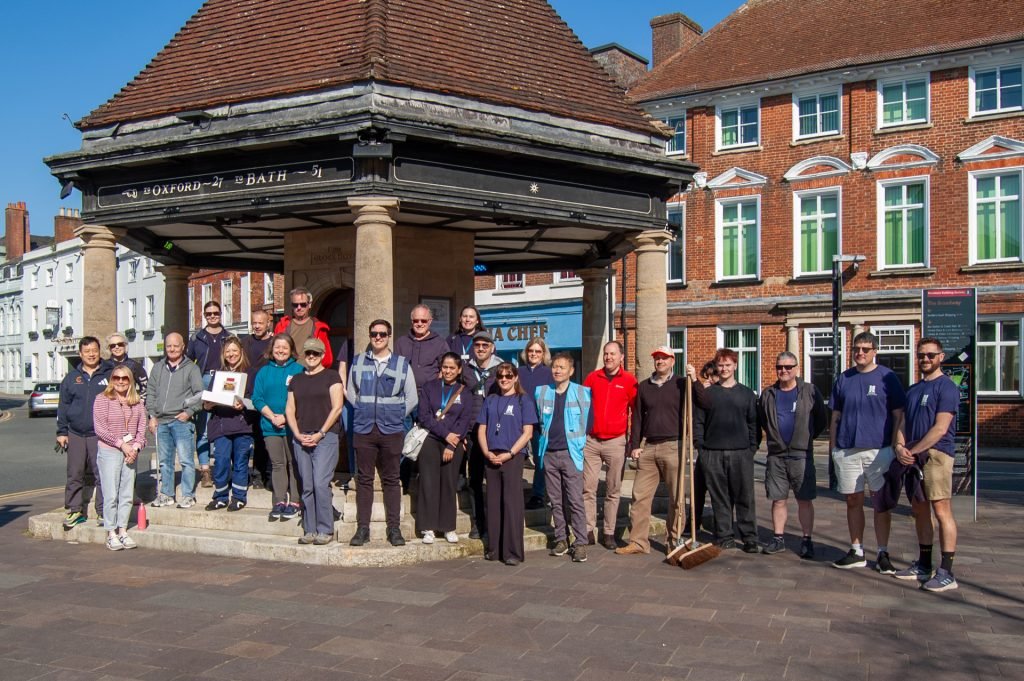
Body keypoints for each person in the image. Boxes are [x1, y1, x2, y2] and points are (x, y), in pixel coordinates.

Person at [617, 347, 706, 556]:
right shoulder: (644, 387)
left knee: (676, 497)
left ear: (672, 361)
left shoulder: (682, 384)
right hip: (648, 447)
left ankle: (673, 541)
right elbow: (637, 417)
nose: (660, 361)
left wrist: (695, 380)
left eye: (664, 358)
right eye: (657, 358)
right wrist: (635, 445)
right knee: (639, 496)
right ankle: (638, 542)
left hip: (674, 445)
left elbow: (704, 402)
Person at [829, 331, 906, 572]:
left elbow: (898, 415)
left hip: (878, 450)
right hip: (847, 449)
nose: (859, 353)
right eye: (856, 349)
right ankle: (857, 550)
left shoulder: (888, 377)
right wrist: (833, 447)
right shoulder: (844, 378)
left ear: (875, 352)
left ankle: (882, 552)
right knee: (853, 500)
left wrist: (894, 445)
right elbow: (835, 416)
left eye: (865, 349)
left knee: (880, 503)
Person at [893, 338, 961, 591]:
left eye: (931, 355)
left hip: (936, 456)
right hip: (913, 457)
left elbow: (941, 428)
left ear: (941, 357)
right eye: (921, 355)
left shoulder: (947, 388)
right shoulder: (913, 390)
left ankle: (946, 571)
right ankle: (923, 564)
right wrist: (900, 447)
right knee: (919, 510)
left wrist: (912, 450)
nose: (925, 359)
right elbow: (902, 423)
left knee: (941, 511)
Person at [346, 319, 418, 547]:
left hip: (391, 430)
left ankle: (394, 529)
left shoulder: (401, 364)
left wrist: (396, 415)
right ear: (369, 336)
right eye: (374, 334)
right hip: (364, 429)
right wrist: (364, 411)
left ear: (389, 336)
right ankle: (362, 529)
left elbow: (412, 398)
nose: (378, 338)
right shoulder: (358, 362)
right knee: (364, 480)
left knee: (391, 480)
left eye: (382, 334)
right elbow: (351, 393)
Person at [758, 352, 828, 558]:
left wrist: (804, 439)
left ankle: (807, 540)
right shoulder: (768, 394)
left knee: (804, 499)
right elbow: (763, 419)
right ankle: (778, 538)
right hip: (776, 456)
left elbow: (821, 420)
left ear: (797, 368)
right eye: (780, 367)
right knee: (778, 499)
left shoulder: (809, 391)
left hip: (801, 455)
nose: (784, 371)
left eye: (788, 367)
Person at [695, 348, 761, 553]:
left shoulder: (746, 394)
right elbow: (699, 422)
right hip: (712, 453)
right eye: (721, 365)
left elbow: (754, 424)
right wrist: (702, 449)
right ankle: (725, 535)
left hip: (741, 453)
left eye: (728, 365)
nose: (724, 368)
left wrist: (751, 448)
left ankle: (749, 537)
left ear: (735, 366)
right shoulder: (708, 394)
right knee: (719, 497)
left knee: (744, 496)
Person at [285, 338, 344, 545]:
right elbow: (289, 409)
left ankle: (325, 528)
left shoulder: (332, 376)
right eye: (308, 353)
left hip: (326, 437)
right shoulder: (297, 380)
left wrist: (320, 433)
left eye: (316, 354)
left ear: (322, 356)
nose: (311, 357)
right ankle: (309, 528)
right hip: (301, 437)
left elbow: (337, 407)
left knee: (320, 482)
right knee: (307, 485)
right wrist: (297, 434)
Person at [477, 362, 537, 565]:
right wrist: (486, 451)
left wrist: (510, 453)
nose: (504, 379)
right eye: (501, 376)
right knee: (493, 504)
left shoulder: (523, 400)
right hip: (491, 456)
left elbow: (527, 432)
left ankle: (512, 552)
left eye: (508, 376)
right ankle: (494, 549)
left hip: (512, 457)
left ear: (515, 377)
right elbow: (481, 428)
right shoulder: (490, 399)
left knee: (511, 504)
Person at [534, 353, 592, 562]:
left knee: (575, 500)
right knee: (555, 501)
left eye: (562, 367)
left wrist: (579, 446)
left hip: (571, 454)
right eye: (555, 367)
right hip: (549, 454)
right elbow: (538, 423)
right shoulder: (542, 393)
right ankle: (561, 538)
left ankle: (580, 543)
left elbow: (589, 423)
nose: (557, 370)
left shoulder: (581, 393)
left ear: (571, 371)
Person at [582, 341, 638, 550]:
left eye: (612, 354)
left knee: (613, 490)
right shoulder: (592, 378)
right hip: (592, 441)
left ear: (621, 357)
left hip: (616, 441)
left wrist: (632, 440)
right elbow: (581, 405)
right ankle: (588, 529)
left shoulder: (629, 381)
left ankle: (608, 532)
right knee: (588, 488)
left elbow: (636, 411)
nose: (608, 357)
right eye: (606, 354)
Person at [416, 352, 474, 544]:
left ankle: (448, 527)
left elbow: (465, 420)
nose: (448, 371)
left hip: (453, 443)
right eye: (445, 367)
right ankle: (428, 527)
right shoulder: (429, 387)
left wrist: (451, 442)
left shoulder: (464, 392)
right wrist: (445, 434)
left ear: (458, 370)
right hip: (431, 439)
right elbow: (424, 416)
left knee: (448, 484)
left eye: (452, 368)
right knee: (428, 483)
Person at [56, 336, 113, 529]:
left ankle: (104, 511)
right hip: (76, 433)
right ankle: (74, 511)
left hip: (101, 434)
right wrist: (62, 432)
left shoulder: (110, 374)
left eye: (94, 350)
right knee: (74, 473)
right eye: (87, 351)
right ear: (80, 354)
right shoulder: (72, 378)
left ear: (99, 352)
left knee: (102, 474)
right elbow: (63, 406)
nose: (91, 354)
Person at [147, 332, 205, 509]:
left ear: (183, 347)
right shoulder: (158, 368)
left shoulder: (191, 368)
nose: (171, 349)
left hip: (181, 421)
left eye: (175, 345)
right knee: (165, 461)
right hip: (161, 421)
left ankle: (188, 495)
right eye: (168, 346)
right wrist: (152, 415)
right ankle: (167, 494)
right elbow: (151, 392)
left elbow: (200, 395)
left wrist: (188, 412)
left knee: (186, 461)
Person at [92, 365, 147, 551]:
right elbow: (100, 429)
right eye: (117, 378)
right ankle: (111, 533)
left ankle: (122, 530)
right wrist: (122, 445)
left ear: (130, 380)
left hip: (130, 453)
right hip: (110, 451)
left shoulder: (137, 402)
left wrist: (135, 448)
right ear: (111, 380)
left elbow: (141, 430)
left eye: (125, 378)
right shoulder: (102, 399)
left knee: (126, 494)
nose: (121, 381)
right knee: (111, 494)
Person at [252, 334, 305, 521]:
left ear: (291, 350)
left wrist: (285, 416)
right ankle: (279, 501)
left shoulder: (299, 370)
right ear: (271, 350)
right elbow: (257, 398)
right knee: (277, 464)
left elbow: (302, 397)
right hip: (270, 426)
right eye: (277, 347)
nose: (281, 351)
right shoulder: (263, 372)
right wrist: (272, 416)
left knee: (294, 463)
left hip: (292, 426)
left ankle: (296, 501)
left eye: (285, 347)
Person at [203, 337, 258, 512]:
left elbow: (255, 399)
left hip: (243, 424)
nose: (231, 354)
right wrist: (208, 404)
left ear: (241, 352)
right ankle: (220, 496)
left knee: (241, 462)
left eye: (234, 350)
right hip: (221, 425)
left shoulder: (250, 373)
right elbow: (208, 401)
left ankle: (239, 497)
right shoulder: (218, 375)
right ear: (223, 354)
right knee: (221, 461)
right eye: (228, 351)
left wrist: (244, 403)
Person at [462, 330, 503, 539]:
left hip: (495, 433)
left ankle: (497, 524)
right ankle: (478, 523)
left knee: (495, 480)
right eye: (477, 345)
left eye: (485, 346)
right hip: (472, 432)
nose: (480, 349)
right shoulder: (466, 370)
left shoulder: (502, 369)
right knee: (475, 481)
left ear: (492, 348)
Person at [187, 300, 229, 488]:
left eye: (216, 313)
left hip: (223, 380)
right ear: (204, 316)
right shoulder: (197, 338)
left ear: (221, 314)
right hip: (204, 379)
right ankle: (205, 470)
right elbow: (188, 362)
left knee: (224, 425)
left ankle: (222, 468)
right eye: (209, 314)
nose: (212, 316)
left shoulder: (228, 337)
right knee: (203, 428)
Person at [517, 338, 554, 510]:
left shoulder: (549, 373)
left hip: (540, 424)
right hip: (519, 422)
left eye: (538, 351)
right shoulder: (518, 372)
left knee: (540, 460)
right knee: (517, 457)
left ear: (543, 354)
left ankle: (538, 494)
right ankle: (514, 491)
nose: (534, 354)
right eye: (531, 350)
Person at [684, 360, 719, 538]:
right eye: (707, 377)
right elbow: (696, 417)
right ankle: (693, 523)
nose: (710, 381)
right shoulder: (701, 394)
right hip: (704, 448)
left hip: (719, 449)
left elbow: (710, 405)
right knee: (698, 489)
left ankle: (720, 526)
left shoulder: (719, 395)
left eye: (713, 377)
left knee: (718, 490)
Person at [243, 309, 275, 489]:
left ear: (267, 323)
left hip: (267, 397)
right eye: (254, 323)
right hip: (248, 397)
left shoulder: (274, 342)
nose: (256, 326)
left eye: (260, 323)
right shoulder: (245, 342)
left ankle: (268, 476)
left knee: (267, 438)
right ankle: (256, 474)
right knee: (252, 437)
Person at [274, 287, 333, 369]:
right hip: (286, 371)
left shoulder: (319, 327)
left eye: (303, 304)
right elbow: (274, 351)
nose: (299, 308)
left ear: (309, 304)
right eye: (295, 305)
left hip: (309, 372)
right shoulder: (282, 326)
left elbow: (327, 358)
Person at [395, 304, 450, 392]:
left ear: (430, 321)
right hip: (405, 393)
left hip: (431, 393)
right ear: (412, 321)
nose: (419, 324)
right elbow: (395, 368)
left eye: (423, 321)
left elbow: (447, 368)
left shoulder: (440, 343)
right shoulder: (401, 342)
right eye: (416, 320)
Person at [106, 332, 148, 400]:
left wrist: (139, 402)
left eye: (120, 344)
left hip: (129, 406)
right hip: (109, 406)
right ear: (109, 348)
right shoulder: (104, 366)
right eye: (113, 345)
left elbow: (146, 388)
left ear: (125, 345)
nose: (117, 347)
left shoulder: (135, 366)